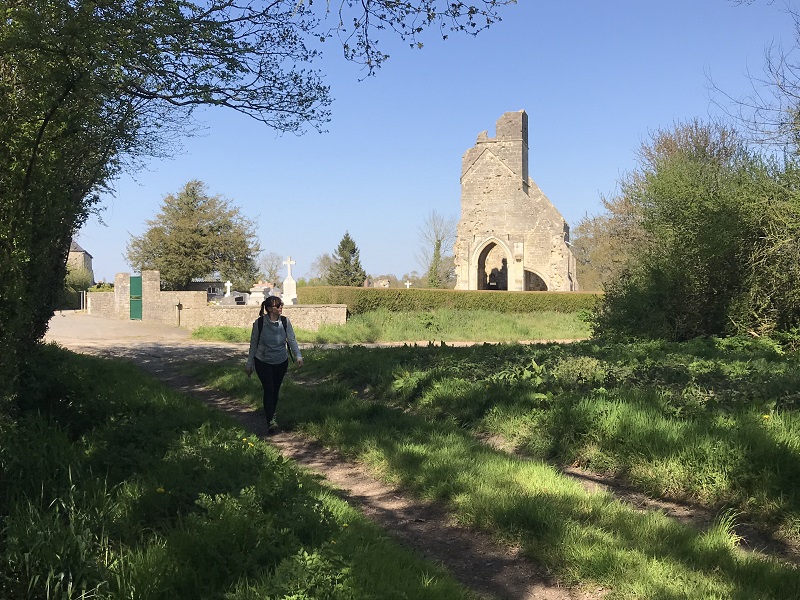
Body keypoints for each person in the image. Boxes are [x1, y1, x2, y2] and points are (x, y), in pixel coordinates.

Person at [245, 296, 303, 433]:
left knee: (275, 390)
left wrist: (298, 356)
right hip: (262, 361)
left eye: (281, 305)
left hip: (281, 361)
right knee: (269, 389)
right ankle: (270, 420)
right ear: (270, 309)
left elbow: (292, 340)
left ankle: (272, 414)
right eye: (278, 306)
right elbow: (253, 345)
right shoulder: (259, 323)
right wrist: (249, 364)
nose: (281, 307)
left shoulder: (285, 322)